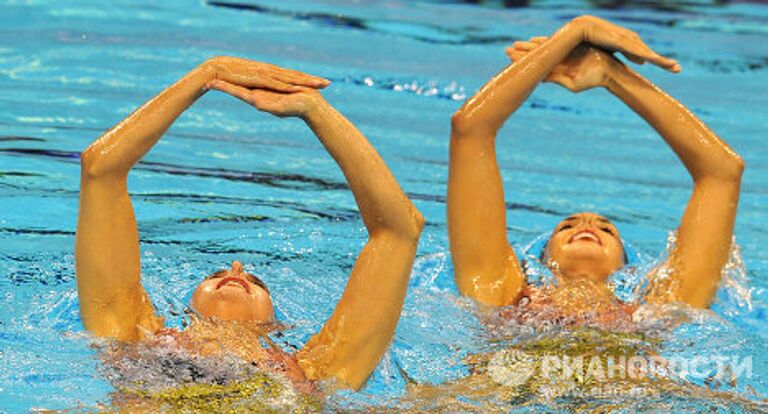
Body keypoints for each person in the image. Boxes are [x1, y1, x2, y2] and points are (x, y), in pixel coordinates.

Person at [75, 56, 424, 392]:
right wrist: (207, 74)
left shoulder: (316, 369)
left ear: (277, 326)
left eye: (255, 281)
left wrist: (317, 111)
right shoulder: (135, 337)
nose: (237, 268)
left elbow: (401, 231)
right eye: (215, 274)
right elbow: (99, 169)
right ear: (186, 308)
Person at [447, 15, 744, 317]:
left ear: (625, 268)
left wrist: (611, 74)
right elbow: (469, 128)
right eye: (566, 226)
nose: (587, 224)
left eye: (606, 229)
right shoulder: (501, 290)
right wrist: (578, 30)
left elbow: (724, 171)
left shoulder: (657, 309)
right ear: (543, 259)